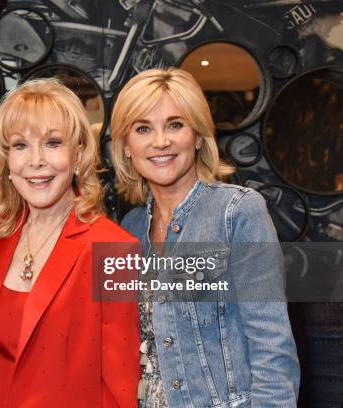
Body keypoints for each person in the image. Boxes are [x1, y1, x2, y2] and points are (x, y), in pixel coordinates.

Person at [110, 67, 300, 407]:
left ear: (198, 135)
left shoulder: (238, 213)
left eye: (175, 124)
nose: (160, 141)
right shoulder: (130, 228)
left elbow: (272, 349)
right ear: (126, 146)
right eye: (143, 128)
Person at [0, 79, 140, 407]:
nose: (36, 161)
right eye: (20, 145)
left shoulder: (116, 249)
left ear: (78, 155)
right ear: (6, 161)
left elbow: (121, 384)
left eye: (52, 143)